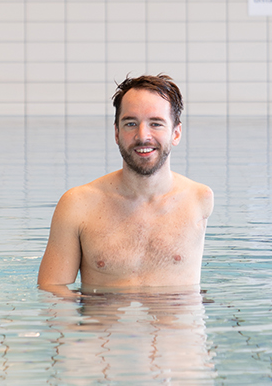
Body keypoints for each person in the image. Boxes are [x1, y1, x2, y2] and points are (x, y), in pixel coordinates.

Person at [37, 74, 214, 296]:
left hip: (177, 331)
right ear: (116, 132)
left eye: (156, 123)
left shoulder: (199, 199)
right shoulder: (78, 205)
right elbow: (53, 290)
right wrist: (76, 330)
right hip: (104, 330)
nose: (143, 136)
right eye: (131, 123)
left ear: (176, 133)